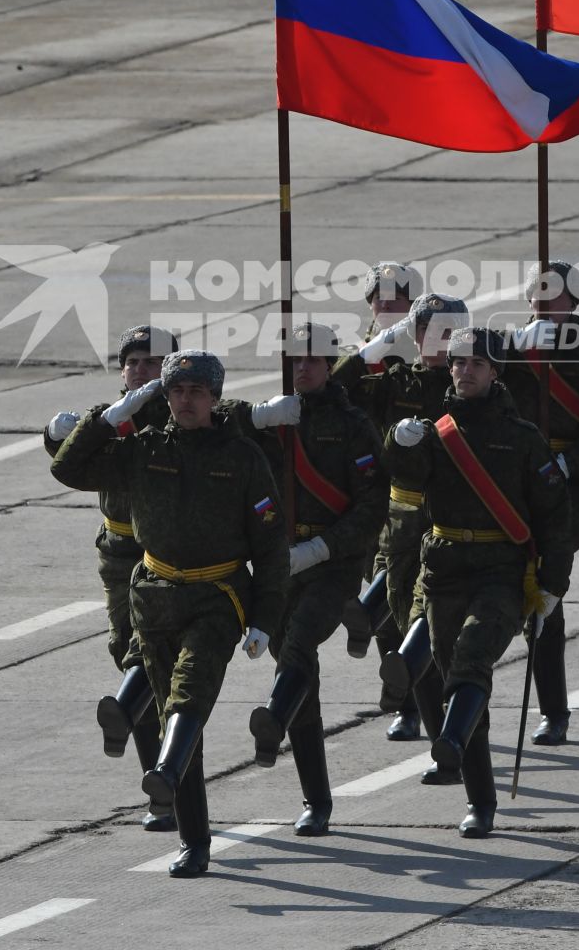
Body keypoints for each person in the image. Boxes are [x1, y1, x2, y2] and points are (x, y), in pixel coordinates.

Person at [51, 350, 289, 877]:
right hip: (154, 595)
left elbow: (271, 547)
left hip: (216, 597)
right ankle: (194, 839)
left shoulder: (243, 457)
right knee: (174, 715)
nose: (185, 402)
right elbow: (67, 467)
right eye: (176, 392)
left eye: (196, 393)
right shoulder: (143, 449)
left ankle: (163, 770)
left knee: (190, 693)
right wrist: (112, 416)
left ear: (214, 398)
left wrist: (265, 619)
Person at [382, 326, 573, 838]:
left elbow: (555, 516)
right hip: (444, 564)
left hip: (501, 569)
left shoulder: (522, 437)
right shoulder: (433, 430)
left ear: (494, 372)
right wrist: (398, 443)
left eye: (475, 363)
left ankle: (448, 743)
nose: (464, 370)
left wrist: (552, 585)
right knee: (454, 681)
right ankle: (480, 802)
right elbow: (405, 486)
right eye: (458, 362)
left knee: (471, 659)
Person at [240, 322, 387, 835]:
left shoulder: (352, 426)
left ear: (330, 365)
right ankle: (317, 800)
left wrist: (323, 547)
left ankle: (273, 723)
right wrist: (258, 416)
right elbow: (215, 429)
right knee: (299, 672)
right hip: (281, 562)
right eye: (295, 360)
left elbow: (372, 505)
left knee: (300, 642)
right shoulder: (275, 419)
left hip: (334, 563)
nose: (302, 368)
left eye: (312, 360)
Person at [44, 324, 178, 831]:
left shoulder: (182, 414)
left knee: (158, 667)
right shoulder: (110, 417)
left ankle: (169, 782)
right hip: (120, 555)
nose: (142, 371)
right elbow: (69, 462)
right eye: (133, 363)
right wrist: (58, 434)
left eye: (152, 362)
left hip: (168, 556)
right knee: (129, 658)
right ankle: (156, 781)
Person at [501, 261, 579, 746]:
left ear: (573, 303)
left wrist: (568, 465)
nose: (540, 301)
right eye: (535, 292)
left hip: (576, 488)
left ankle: (553, 712)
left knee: (545, 583)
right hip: (519, 483)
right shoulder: (512, 350)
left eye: (551, 294)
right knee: (520, 589)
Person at [335, 291, 468, 745]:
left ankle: (452, 707)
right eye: (436, 332)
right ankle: (409, 707)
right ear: (416, 336)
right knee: (394, 613)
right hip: (399, 515)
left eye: (454, 333)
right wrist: (368, 352)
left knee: (436, 616)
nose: (446, 342)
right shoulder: (395, 382)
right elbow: (333, 392)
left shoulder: (469, 381)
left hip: (454, 514)